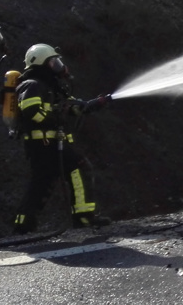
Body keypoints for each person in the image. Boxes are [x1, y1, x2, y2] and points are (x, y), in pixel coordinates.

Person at [12, 44, 110, 233]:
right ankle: (83, 217)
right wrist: (58, 116)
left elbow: (73, 107)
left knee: (42, 182)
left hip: (46, 144)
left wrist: (97, 103)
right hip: (42, 143)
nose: (59, 66)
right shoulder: (32, 84)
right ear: (41, 64)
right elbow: (32, 112)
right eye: (53, 62)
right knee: (79, 166)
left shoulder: (53, 87)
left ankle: (23, 224)